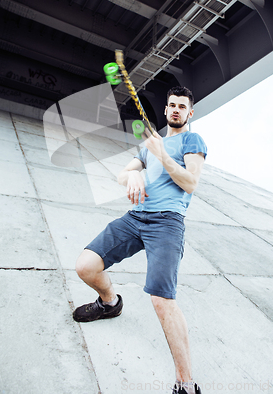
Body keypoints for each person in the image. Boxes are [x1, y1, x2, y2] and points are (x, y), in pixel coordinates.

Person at [73, 86, 207, 394]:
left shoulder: (191, 140)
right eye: (171, 104)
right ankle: (109, 303)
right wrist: (132, 175)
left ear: (189, 112)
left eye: (181, 106)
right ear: (165, 110)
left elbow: (190, 182)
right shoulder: (149, 146)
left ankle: (186, 383)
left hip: (167, 222)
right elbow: (124, 174)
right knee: (85, 266)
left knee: (162, 299)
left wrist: (163, 155)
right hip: (136, 218)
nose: (175, 109)